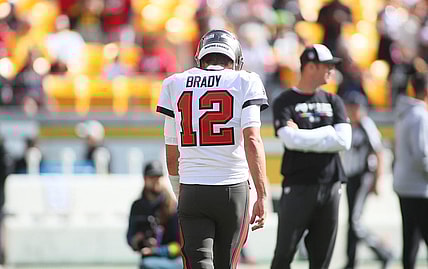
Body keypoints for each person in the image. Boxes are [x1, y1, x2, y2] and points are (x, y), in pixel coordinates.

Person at [156, 29, 269, 269]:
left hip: (192, 187)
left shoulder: (175, 83)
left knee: (197, 264)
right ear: (235, 59)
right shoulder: (246, 81)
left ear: (201, 57)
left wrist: (179, 191)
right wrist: (262, 194)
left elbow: (171, 150)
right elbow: (252, 140)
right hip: (232, 187)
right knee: (226, 265)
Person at [271, 44, 352, 269]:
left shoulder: (333, 100)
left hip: (331, 185)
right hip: (298, 186)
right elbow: (289, 139)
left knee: (322, 260)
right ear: (310, 67)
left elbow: (343, 141)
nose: (331, 71)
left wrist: (303, 135)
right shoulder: (284, 101)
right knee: (283, 255)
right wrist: (327, 134)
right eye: (327, 66)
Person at [340, 91, 393, 269]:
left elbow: (378, 152)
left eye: (354, 107)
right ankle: (350, 261)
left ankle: (383, 251)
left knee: (355, 222)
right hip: (351, 177)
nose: (351, 110)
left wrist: (377, 180)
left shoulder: (365, 125)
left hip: (363, 177)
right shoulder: (349, 125)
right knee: (351, 222)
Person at [393, 72, 428, 269]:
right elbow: (422, 154)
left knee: (410, 238)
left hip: (405, 184)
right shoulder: (419, 115)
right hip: (419, 188)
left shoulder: (405, 113)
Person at [126, 160, 182, 269]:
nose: (156, 180)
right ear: (145, 179)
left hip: (173, 260)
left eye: (158, 177)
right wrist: (138, 240)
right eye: (152, 177)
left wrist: (156, 250)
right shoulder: (137, 207)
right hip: (149, 257)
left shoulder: (173, 207)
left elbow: (179, 246)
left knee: (147, 265)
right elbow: (130, 237)